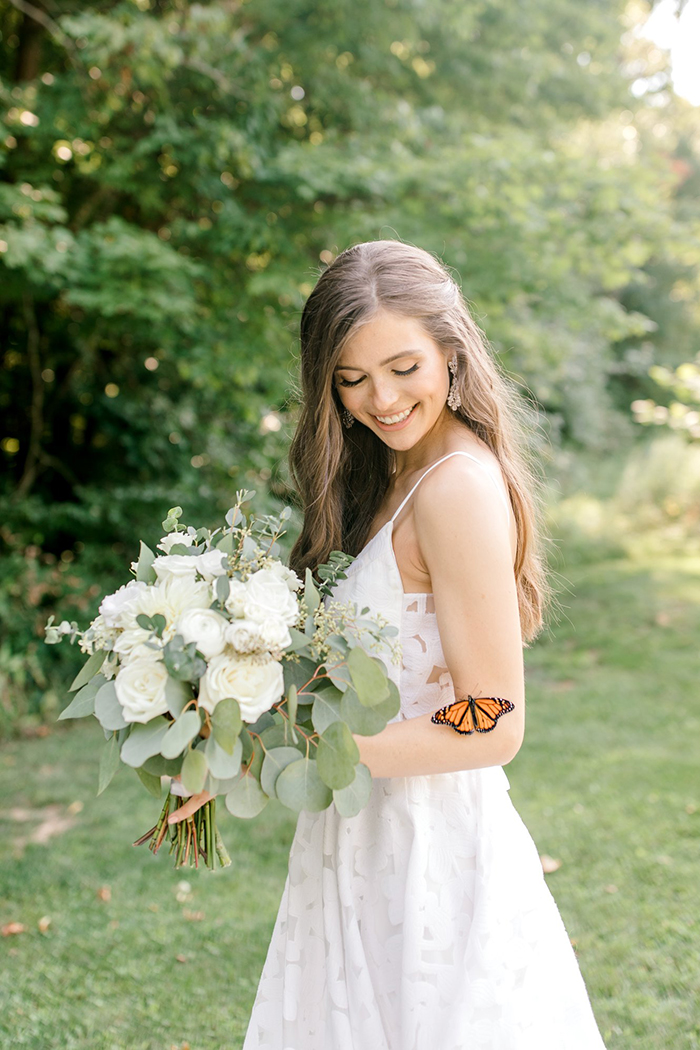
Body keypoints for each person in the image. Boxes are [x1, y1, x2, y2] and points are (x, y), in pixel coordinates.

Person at [193, 238, 609, 1048]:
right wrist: (229, 731)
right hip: (366, 829)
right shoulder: (396, 473)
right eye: (350, 380)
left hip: (427, 848)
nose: (380, 398)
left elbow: (493, 718)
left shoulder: (453, 487)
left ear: (451, 352)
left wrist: (303, 748)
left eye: (402, 367)